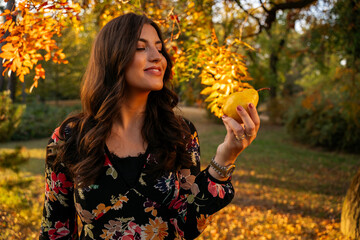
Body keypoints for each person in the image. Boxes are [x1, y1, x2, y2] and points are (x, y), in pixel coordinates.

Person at [39, 12, 260, 240]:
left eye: (159, 47)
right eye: (140, 47)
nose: (158, 56)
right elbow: (56, 231)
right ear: (112, 57)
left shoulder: (180, 133)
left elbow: (188, 226)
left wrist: (226, 157)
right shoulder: (69, 138)